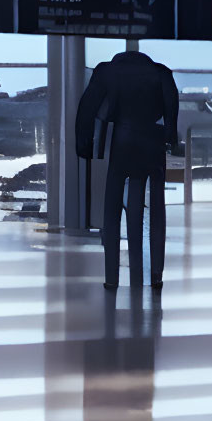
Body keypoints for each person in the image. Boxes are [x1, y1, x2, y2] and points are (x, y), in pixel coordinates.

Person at [76, 50, 180, 291]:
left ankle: (111, 277)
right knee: (156, 211)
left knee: (111, 211)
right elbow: (171, 108)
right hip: (152, 142)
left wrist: (85, 147)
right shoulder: (161, 72)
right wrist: (170, 138)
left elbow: (87, 108)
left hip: (122, 140)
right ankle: (156, 275)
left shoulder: (107, 71)